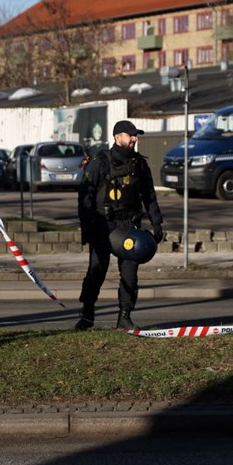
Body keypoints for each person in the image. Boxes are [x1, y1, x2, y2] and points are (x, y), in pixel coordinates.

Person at [76, 120, 164, 331]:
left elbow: (149, 195)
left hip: (129, 224)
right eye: (130, 135)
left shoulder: (139, 164)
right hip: (102, 225)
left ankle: (125, 316)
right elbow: (85, 197)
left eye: (135, 135)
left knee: (130, 275)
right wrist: (87, 228)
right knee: (96, 271)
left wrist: (157, 222)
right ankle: (87, 314)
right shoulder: (99, 162)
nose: (134, 139)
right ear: (117, 137)